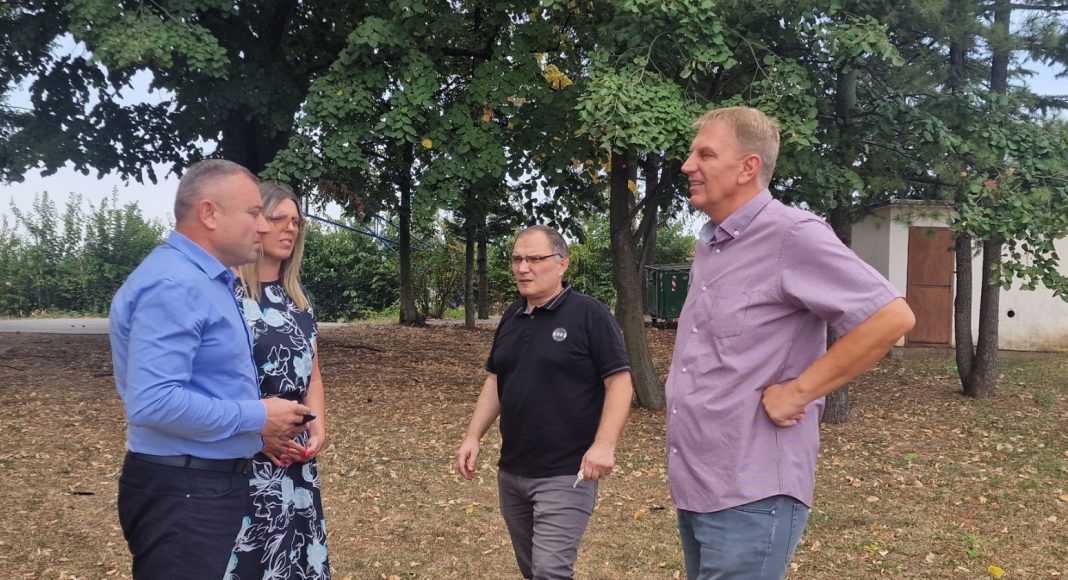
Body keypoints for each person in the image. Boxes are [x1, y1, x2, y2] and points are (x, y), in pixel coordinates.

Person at [666, 106, 916, 580]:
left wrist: (800, 391)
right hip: (700, 485)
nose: (687, 165)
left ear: (748, 167)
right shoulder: (712, 245)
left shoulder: (791, 234)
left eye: (705, 154)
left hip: (752, 493)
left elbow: (890, 317)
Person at [109, 159, 312, 579]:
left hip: (202, 484)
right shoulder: (175, 284)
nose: (263, 226)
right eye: (254, 213)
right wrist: (258, 417)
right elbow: (153, 402)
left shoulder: (208, 281)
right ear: (209, 213)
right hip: (184, 490)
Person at [456, 225, 634, 580]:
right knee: (533, 570)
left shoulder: (589, 314)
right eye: (517, 259)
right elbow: (496, 379)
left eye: (535, 259)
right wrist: (473, 436)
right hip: (513, 471)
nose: (523, 268)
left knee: (550, 571)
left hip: (566, 473)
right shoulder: (512, 316)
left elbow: (620, 382)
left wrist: (604, 445)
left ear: (562, 264)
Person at [228, 182, 330, 578]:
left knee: (295, 561)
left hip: (296, 460)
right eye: (279, 219)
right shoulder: (228, 296)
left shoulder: (298, 298)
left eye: (297, 221)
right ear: (256, 222)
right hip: (247, 457)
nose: (291, 228)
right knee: (252, 561)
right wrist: (258, 432)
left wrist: (318, 429)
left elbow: (312, 375)